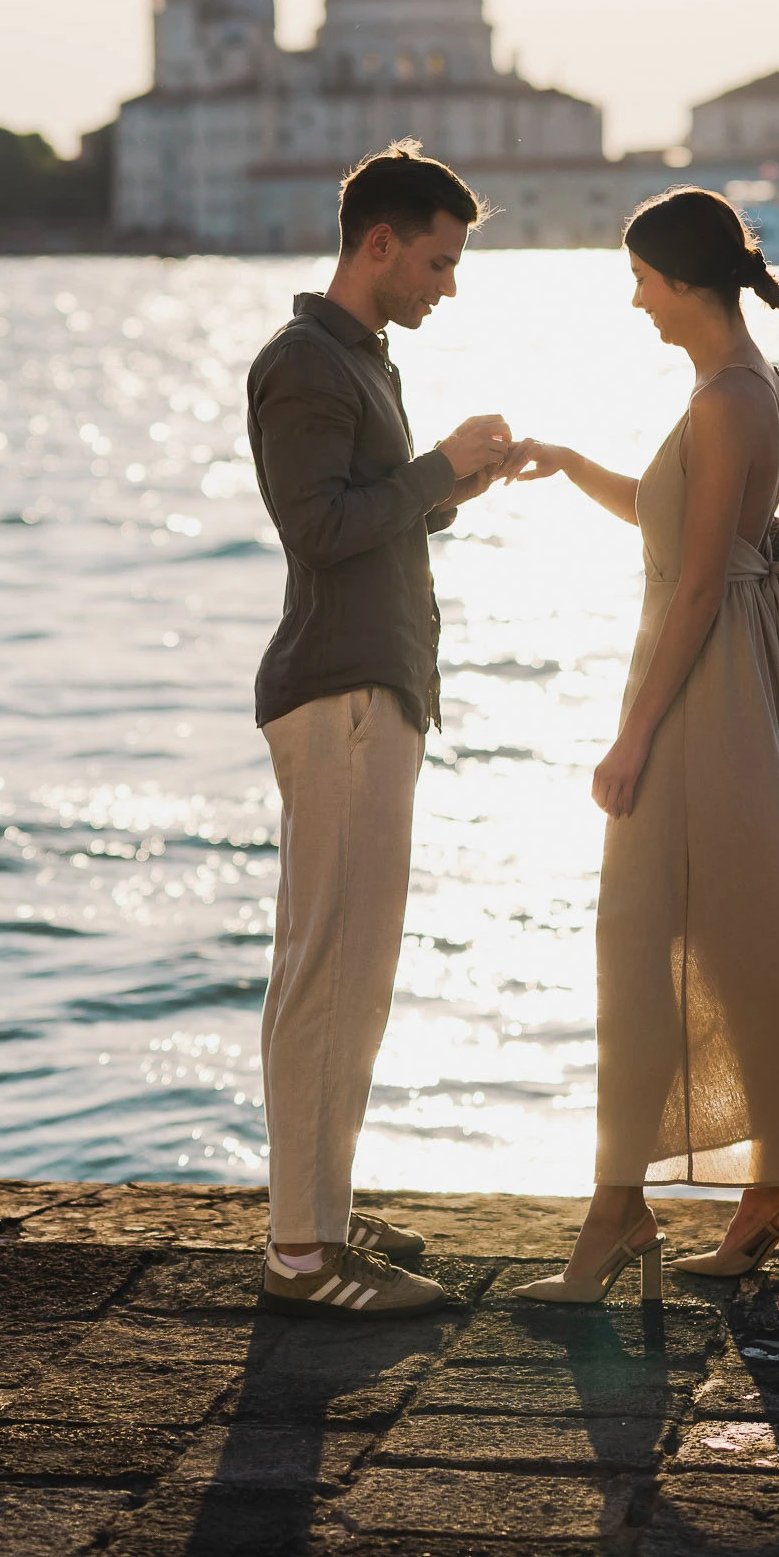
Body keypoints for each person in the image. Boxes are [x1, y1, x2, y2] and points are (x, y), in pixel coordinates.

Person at [500, 189, 779, 1304]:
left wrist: (629, 738)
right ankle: (759, 1189)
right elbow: (678, 528)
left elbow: (699, 581)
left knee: (644, 938)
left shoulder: (726, 396)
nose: (634, 300)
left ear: (682, 280)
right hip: (726, 683)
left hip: (702, 690)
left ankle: (627, 1211)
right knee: (730, 930)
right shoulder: (744, 385)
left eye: (643, 281)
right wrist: (570, 464)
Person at [247, 140, 511, 1321]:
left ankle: (324, 1220)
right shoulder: (305, 364)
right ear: (379, 242)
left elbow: (376, 517)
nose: (445, 286)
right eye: (439, 262)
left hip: (376, 693)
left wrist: (452, 485)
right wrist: (434, 472)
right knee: (327, 975)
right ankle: (303, 1254)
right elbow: (317, 527)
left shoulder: (362, 359)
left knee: (355, 976)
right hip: (340, 697)